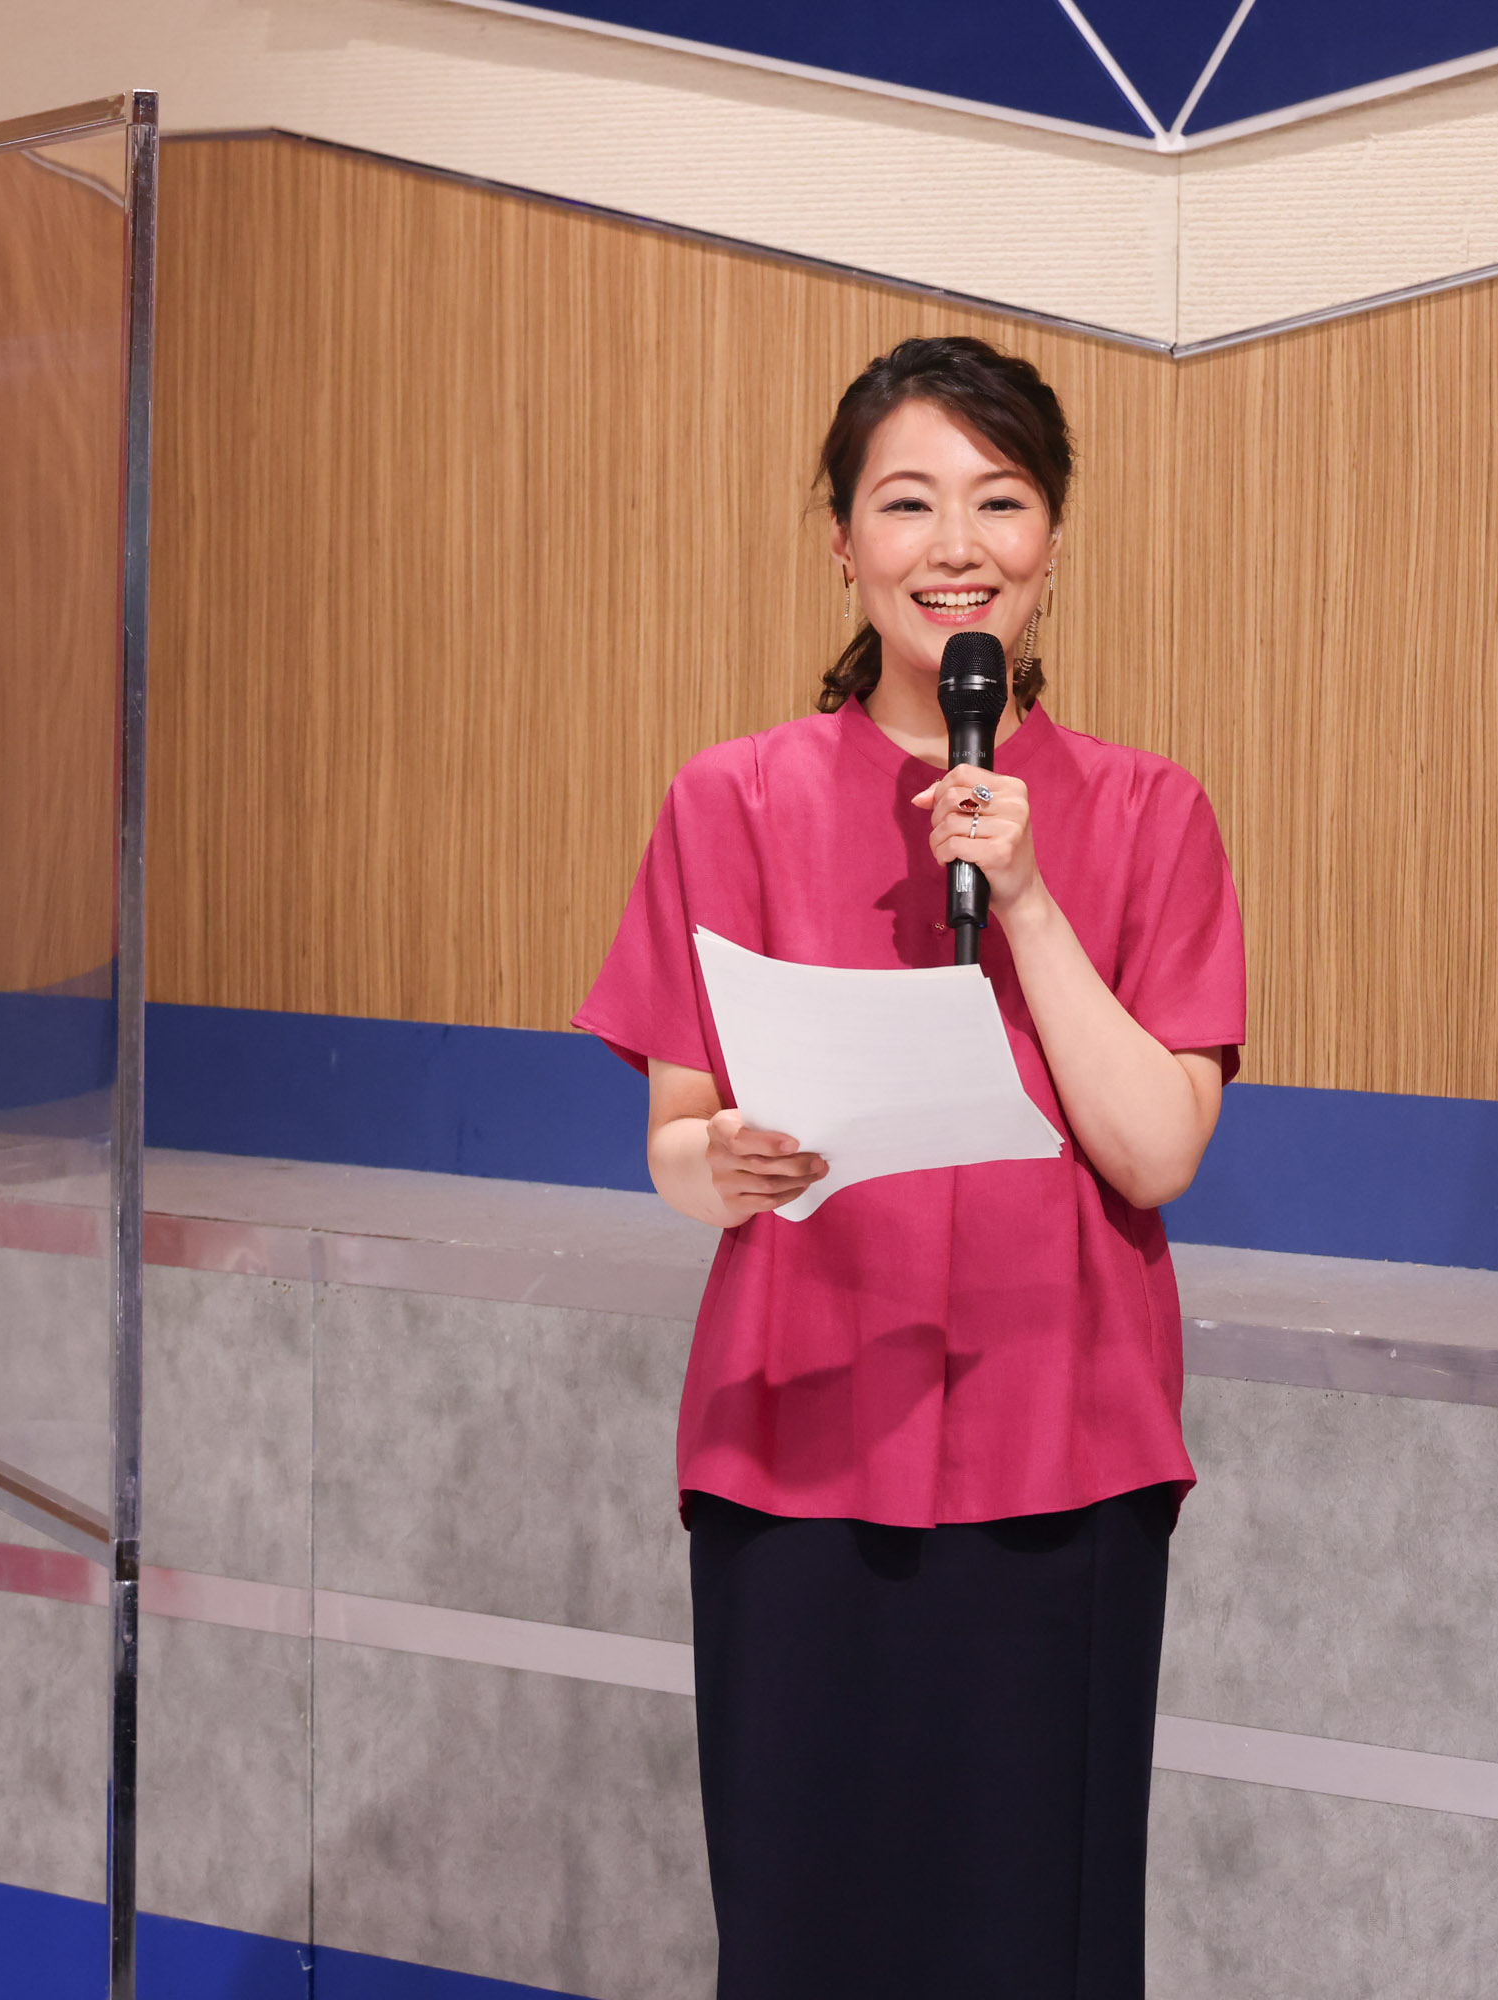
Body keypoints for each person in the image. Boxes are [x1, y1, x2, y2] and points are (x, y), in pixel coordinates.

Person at [575, 334, 1246, 1999]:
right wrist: (721, 1162)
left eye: (999, 501)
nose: (957, 544)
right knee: (805, 1933)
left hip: (1062, 1446)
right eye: (908, 502)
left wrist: (1028, 901)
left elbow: (1158, 1149)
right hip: (798, 1435)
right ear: (843, 542)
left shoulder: (1151, 814)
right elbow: (674, 1141)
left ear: (1053, 541)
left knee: (1037, 1938)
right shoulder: (730, 800)